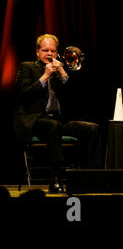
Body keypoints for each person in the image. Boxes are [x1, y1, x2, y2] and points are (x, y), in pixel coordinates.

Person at [13, 34, 101, 193]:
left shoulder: (61, 70)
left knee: (92, 129)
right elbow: (23, 94)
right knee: (53, 126)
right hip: (35, 121)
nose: (49, 54)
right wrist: (45, 76)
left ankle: (89, 177)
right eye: (45, 50)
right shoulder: (27, 67)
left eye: (52, 51)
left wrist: (63, 74)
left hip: (59, 121)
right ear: (37, 52)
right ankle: (55, 180)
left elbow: (76, 98)